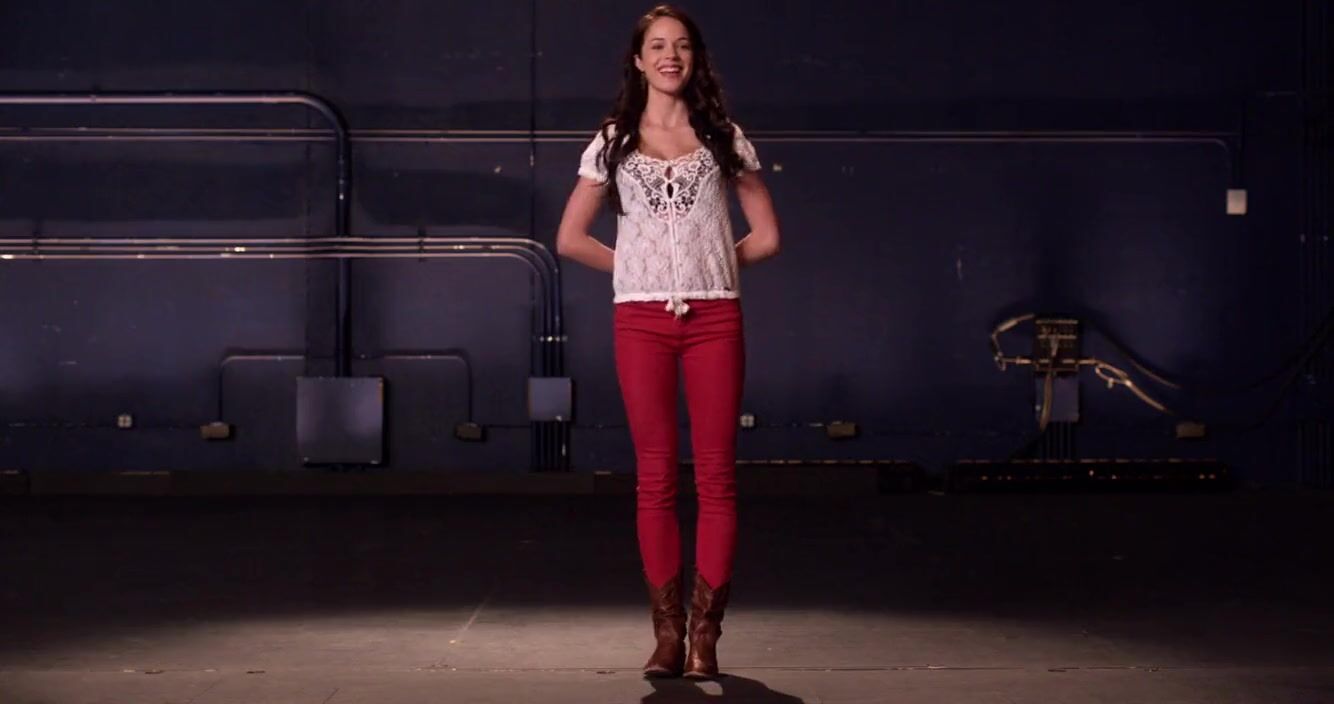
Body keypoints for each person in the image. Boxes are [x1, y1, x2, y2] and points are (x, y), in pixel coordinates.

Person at [555, 3, 781, 680]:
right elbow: (569, 238)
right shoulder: (615, 140)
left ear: (695, 58)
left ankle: (706, 634)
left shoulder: (723, 138)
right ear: (638, 59)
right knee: (654, 476)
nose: (670, 56)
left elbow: (767, 236)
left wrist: (707, 268)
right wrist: (641, 270)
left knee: (716, 476)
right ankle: (666, 633)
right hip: (640, 320)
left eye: (681, 45)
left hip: (714, 318)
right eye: (657, 45)